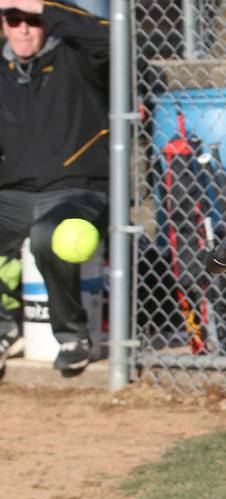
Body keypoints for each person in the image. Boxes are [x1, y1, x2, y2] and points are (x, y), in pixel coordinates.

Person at [0, 0, 109, 374]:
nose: (24, 29)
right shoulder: (4, 70)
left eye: (33, 20)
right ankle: (4, 325)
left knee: (49, 235)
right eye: (14, 20)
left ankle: (72, 336)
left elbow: (111, 39)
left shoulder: (74, 57)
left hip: (77, 189)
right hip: (14, 193)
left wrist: (44, 6)